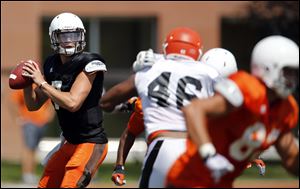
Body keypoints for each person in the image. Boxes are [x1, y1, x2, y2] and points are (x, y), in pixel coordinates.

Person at [100, 26, 226, 187]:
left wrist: (114, 107)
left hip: (163, 145)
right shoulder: (210, 73)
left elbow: (106, 101)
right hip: (196, 147)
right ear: (198, 51)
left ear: (167, 48)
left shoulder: (152, 69)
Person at [166, 35, 299, 187]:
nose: (292, 79)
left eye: (295, 73)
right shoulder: (249, 88)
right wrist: (209, 154)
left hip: (222, 182)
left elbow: (290, 159)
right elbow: (193, 109)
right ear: (269, 67)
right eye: (288, 72)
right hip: (189, 179)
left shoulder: (287, 108)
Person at [21, 12, 108, 188]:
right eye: (64, 35)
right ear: (54, 37)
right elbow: (33, 105)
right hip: (69, 141)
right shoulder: (51, 64)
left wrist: (42, 83)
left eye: (74, 35)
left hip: (91, 142)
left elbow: (72, 103)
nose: (69, 40)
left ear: (82, 36)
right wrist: (26, 83)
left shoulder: (90, 62)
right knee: (46, 185)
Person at [11, 90, 54, 184]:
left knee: (34, 148)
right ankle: (26, 174)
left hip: (42, 122)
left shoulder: (42, 85)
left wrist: (49, 116)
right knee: (28, 148)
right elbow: (13, 102)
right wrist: (20, 117)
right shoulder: (24, 86)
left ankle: (31, 173)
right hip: (29, 121)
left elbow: (51, 102)